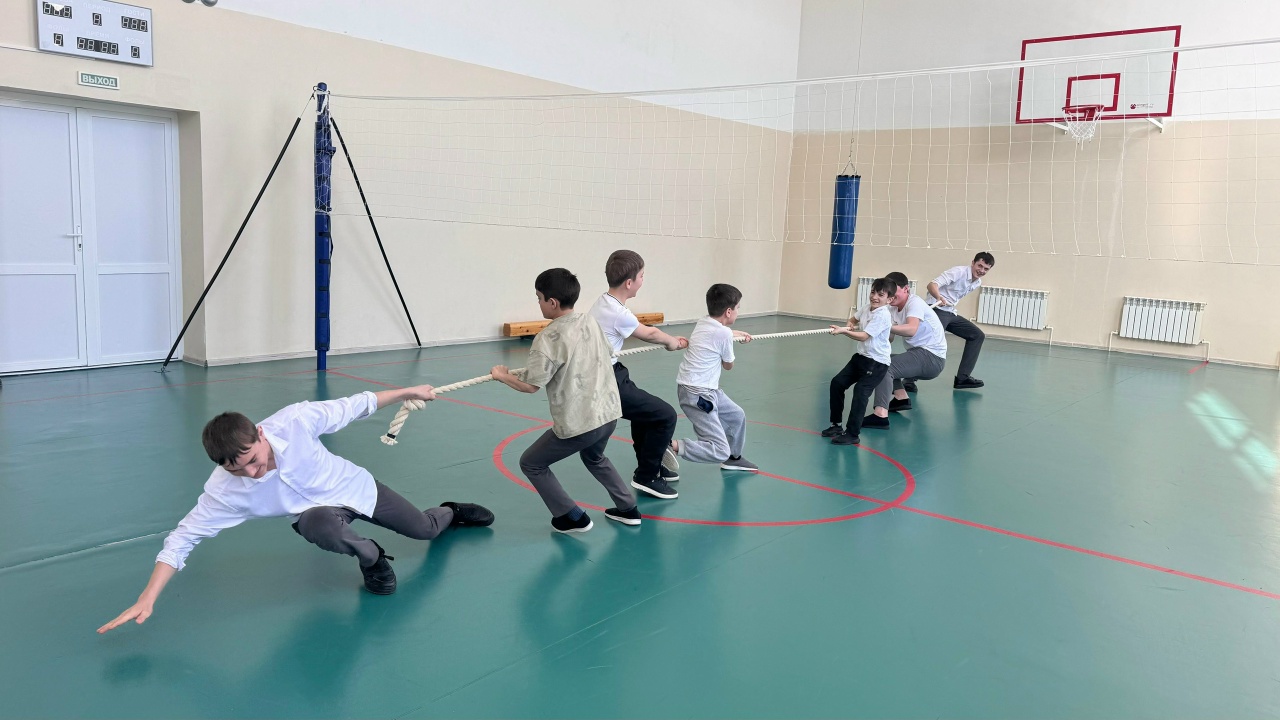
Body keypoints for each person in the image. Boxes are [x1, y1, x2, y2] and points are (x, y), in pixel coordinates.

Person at [98, 386, 496, 632]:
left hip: (356, 487)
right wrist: (148, 597)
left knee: (425, 529)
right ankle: (372, 559)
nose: (251, 473)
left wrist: (407, 392)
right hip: (319, 516)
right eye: (237, 470)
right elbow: (183, 538)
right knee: (320, 523)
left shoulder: (295, 421)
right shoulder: (224, 491)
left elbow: (355, 405)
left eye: (253, 461)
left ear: (260, 433)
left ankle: (450, 511)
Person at [491, 268, 641, 532]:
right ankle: (628, 508)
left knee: (531, 463)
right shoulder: (590, 321)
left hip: (581, 423)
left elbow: (530, 385)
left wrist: (502, 376)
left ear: (552, 302)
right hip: (608, 414)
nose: (538, 303)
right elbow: (606, 353)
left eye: (539, 298)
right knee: (594, 457)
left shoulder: (547, 337)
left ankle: (570, 517)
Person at [588, 250, 686, 500]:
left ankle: (649, 466)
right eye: (642, 276)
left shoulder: (604, 302)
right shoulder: (618, 313)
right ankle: (647, 477)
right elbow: (650, 333)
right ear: (629, 283)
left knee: (646, 415)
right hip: (605, 381)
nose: (643, 280)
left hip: (610, 373)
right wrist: (671, 342)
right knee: (665, 415)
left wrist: (670, 339)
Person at [669, 284, 758, 471]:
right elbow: (728, 365)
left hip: (704, 389)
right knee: (719, 450)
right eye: (738, 308)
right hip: (697, 394)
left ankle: (734, 458)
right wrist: (730, 341)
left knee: (736, 416)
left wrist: (736, 334)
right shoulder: (723, 334)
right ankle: (670, 446)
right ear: (728, 311)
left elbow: (718, 333)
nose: (738, 312)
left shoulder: (703, 322)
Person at [863, 271, 948, 429]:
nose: (891, 295)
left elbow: (911, 330)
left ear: (906, 289)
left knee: (884, 367)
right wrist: (873, 324)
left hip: (931, 357)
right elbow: (889, 339)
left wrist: (886, 326)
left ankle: (880, 415)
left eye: (895, 291)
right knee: (881, 359)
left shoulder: (914, 303)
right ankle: (901, 398)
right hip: (919, 355)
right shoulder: (891, 308)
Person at [823, 276, 897, 445]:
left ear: (889, 299)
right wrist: (849, 324)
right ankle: (836, 425)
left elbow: (864, 336)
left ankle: (852, 434)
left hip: (877, 363)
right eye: (873, 292)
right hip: (861, 357)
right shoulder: (866, 308)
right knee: (837, 383)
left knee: (860, 392)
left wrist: (843, 331)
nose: (874, 297)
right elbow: (853, 319)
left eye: (880, 295)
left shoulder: (883, 315)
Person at [925, 252, 994, 389]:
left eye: (986, 269)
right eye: (980, 266)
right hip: (936, 309)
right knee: (933, 343)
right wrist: (939, 297)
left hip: (950, 312)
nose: (981, 270)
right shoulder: (958, 272)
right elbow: (931, 285)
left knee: (977, 335)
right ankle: (909, 380)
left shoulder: (977, 282)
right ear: (973, 263)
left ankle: (963, 378)